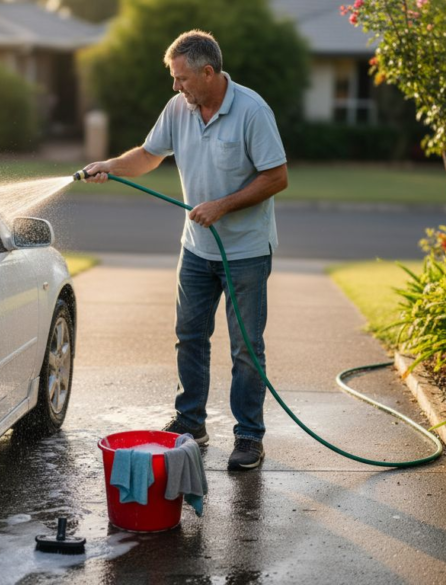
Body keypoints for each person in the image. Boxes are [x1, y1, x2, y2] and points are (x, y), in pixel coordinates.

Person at [83, 30, 288, 471]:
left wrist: (222, 206)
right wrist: (110, 167)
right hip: (196, 250)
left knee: (245, 348)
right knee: (190, 337)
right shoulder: (180, 108)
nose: (176, 87)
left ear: (208, 72)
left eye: (181, 78)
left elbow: (276, 177)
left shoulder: (252, 111)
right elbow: (149, 155)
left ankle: (249, 436)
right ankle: (191, 421)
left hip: (246, 253)